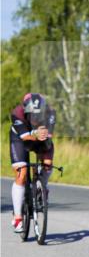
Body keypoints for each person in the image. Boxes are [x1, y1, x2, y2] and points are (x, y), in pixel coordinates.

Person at [10, 93, 56, 234]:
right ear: (25, 111)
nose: (35, 118)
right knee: (22, 173)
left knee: (47, 163)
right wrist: (36, 131)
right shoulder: (17, 113)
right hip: (20, 139)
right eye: (32, 115)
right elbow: (25, 136)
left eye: (38, 115)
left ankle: (41, 187)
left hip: (39, 138)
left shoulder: (51, 112)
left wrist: (42, 134)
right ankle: (17, 217)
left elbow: (48, 136)